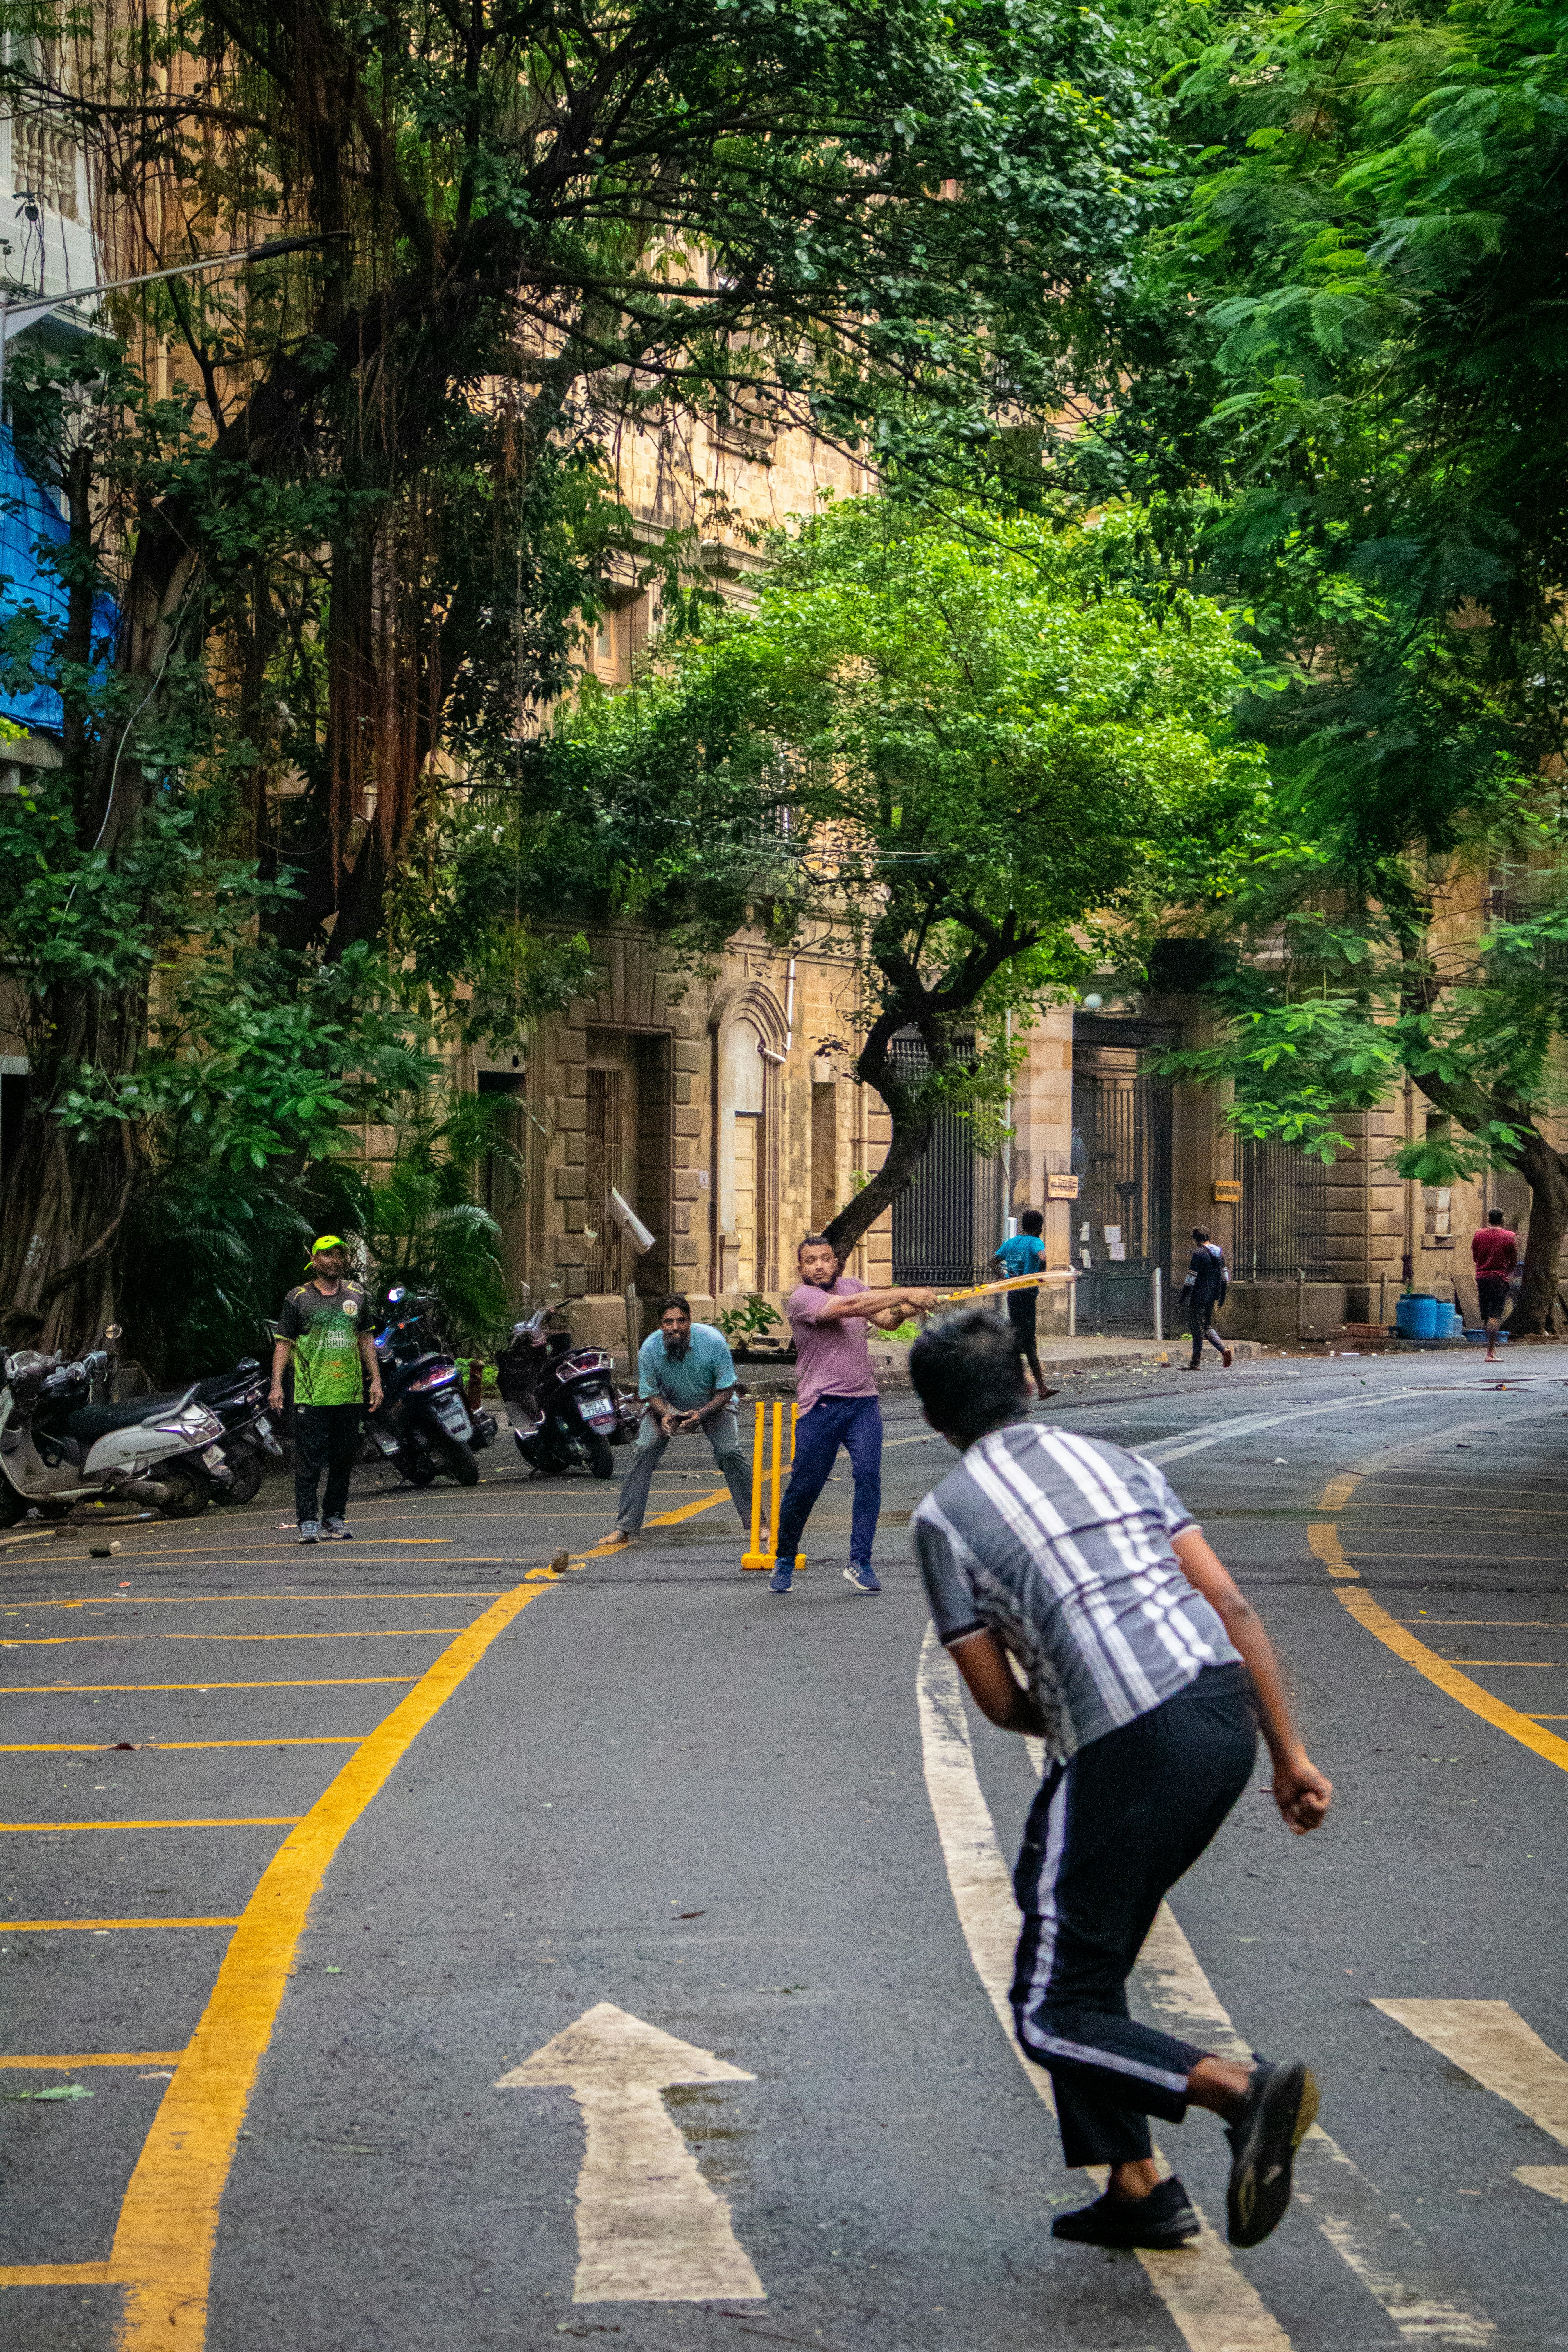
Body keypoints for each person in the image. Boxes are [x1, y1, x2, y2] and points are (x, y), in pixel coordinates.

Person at [909, 1306, 1331, 2253]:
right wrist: (1290, 1754)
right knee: (1066, 1930)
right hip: (1224, 1715)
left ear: (934, 1418)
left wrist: (1071, 1711)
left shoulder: (943, 1519)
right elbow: (1228, 1602)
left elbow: (994, 1698)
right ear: (1027, 1376)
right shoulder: (1116, 1459)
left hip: (1127, 1743)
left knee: (1052, 2009)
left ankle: (1239, 2091)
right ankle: (1138, 2185)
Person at [768, 1236, 939, 1595]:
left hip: (863, 1401)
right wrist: (908, 1290)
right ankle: (785, 1557)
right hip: (822, 1404)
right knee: (805, 1488)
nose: (819, 1265)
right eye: (811, 1260)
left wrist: (913, 1304)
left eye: (826, 1259)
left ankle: (860, 1560)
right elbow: (851, 1307)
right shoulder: (803, 1299)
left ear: (837, 1262)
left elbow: (888, 1319)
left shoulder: (854, 1285)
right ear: (801, 1268)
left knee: (868, 1476)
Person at [601, 1295, 752, 1547]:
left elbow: (727, 1390)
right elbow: (649, 1393)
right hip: (667, 1406)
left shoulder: (713, 1342)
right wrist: (666, 1414)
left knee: (730, 1452)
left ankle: (757, 1523)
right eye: (668, 1322)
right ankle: (624, 1528)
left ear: (690, 1321)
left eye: (681, 1321)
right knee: (645, 1448)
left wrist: (701, 1414)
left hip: (713, 1404)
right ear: (661, 1325)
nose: (675, 1328)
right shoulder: (649, 1349)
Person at [271, 1237, 382, 1544]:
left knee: (344, 1459)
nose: (334, 1260)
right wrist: (277, 1384)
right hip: (311, 1394)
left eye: (339, 1254)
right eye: (327, 1254)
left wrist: (376, 1380)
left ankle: (334, 1516)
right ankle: (307, 1520)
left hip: (348, 1394)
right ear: (314, 1259)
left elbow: (365, 1338)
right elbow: (284, 1343)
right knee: (309, 1460)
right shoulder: (298, 1298)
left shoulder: (357, 1295)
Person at [993, 1209, 1050, 1398]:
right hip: (1027, 1296)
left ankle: (1012, 1386)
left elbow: (992, 1262)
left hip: (1013, 1295)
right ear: (1039, 1227)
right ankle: (1041, 1388)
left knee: (1018, 1339)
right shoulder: (1036, 1242)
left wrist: (1005, 1279)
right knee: (1029, 1342)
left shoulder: (1011, 1243)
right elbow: (1043, 1257)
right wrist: (1040, 1276)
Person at [1181, 1225, 1233, 1371]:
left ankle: (1195, 1363)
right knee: (1207, 1326)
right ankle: (1223, 1350)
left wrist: (1182, 1298)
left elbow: (1191, 1279)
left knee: (1197, 1329)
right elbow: (1225, 1278)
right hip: (1213, 1296)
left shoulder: (1198, 1254)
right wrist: (1222, 1297)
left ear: (1196, 1239)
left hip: (1199, 1296)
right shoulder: (1220, 1253)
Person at [1471, 1207, 1518, 1363]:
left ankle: (1491, 1349)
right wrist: (1507, 1273)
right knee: (1494, 1315)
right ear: (1503, 1220)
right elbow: (1513, 1260)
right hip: (1499, 1279)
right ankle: (1491, 1352)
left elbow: (1476, 1257)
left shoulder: (1479, 1234)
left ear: (1489, 1219)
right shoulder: (1510, 1237)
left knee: (1487, 1315)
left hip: (1482, 1278)